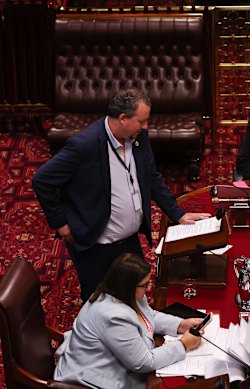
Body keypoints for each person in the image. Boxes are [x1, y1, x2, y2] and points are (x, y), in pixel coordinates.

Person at [32, 88, 211, 301]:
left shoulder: (138, 137)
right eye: (142, 121)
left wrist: (178, 214)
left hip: (129, 241)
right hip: (96, 245)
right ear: (123, 118)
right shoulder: (84, 145)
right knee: (98, 303)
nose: (146, 126)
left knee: (136, 294)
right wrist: (60, 223)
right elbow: (41, 180)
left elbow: (151, 177)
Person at [53, 253, 204, 388]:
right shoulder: (113, 317)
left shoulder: (125, 293)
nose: (148, 288)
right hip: (94, 380)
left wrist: (180, 324)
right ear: (127, 285)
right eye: (144, 285)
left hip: (115, 363)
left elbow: (149, 317)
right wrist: (183, 345)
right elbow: (144, 363)